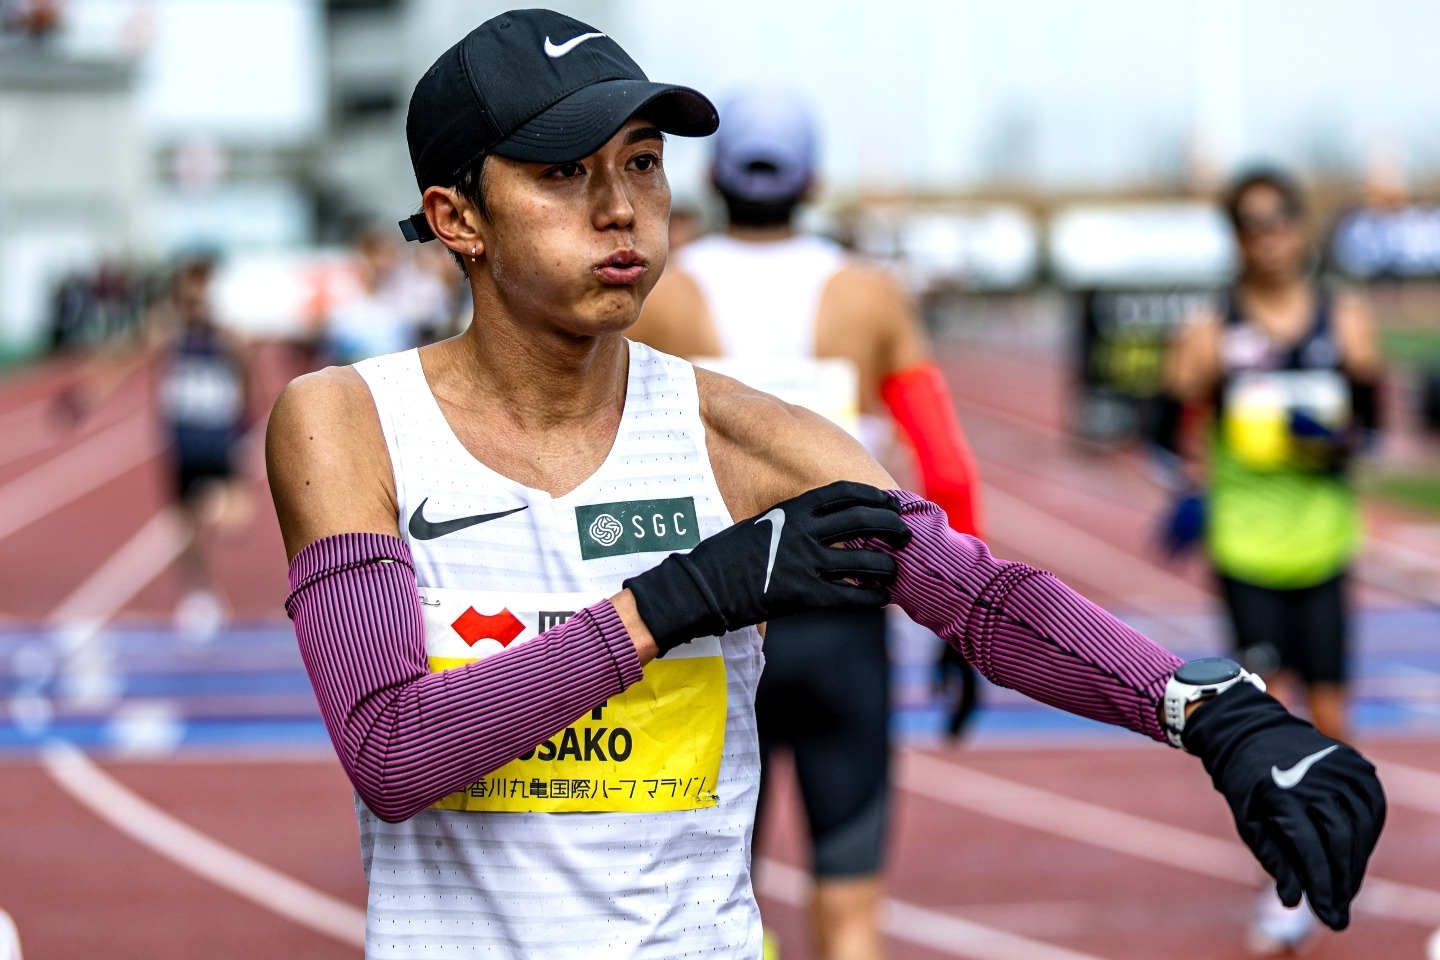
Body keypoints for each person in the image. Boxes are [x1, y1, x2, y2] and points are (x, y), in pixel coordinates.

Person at [266, 12, 1384, 959]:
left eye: (643, 163)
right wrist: (675, 601)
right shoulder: (349, 422)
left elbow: (980, 598)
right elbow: (395, 752)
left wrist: (1214, 711)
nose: (620, 208)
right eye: (564, 173)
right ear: (457, 216)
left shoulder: (747, 440)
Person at [629, 89, 983, 960]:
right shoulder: (869, 295)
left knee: (705, 913)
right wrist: (962, 625)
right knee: (851, 912)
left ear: (715, 178)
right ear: (814, 181)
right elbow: (946, 468)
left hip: (708, 621)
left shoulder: (661, 290)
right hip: (841, 624)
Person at [1164, 168, 1383, 953]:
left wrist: (1330, 436)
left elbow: (1372, 428)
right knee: (1268, 721)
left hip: (1322, 543)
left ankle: (1332, 848)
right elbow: (1164, 426)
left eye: (1281, 218)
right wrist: (1191, 478)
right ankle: (1285, 877)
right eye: (1252, 222)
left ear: (1301, 226)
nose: (1270, 235)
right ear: (1236, 236)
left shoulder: (1343, 321)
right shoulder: (1210, 330)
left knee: (1332, 717)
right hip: (1247, 546)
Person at [57, 256, 252, 640]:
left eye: (199, 295)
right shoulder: (168, 332)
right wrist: (92, 393)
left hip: (218, 440)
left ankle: (202, 584)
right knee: (184, 527)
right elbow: (126, 363)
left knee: (228, 518)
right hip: (182, 442)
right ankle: (199, 595)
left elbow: (249, 379)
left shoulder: (229, 337)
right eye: (187, 296)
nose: (194, 303)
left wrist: (245, 426)